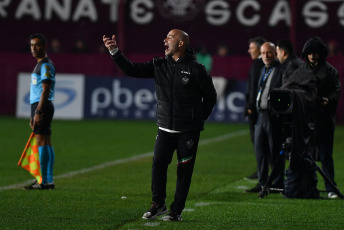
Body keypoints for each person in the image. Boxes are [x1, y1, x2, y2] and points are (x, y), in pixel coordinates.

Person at [103, 29, 217, 221]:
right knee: (158, 165)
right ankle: (159, 204)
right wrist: (115, 52)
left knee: (184, 172)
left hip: (187, 132)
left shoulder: (197, 69)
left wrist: (196, 120)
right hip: (165, 128)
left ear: (180, 44)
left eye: (170, 38)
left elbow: (211, 97)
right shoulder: (159, 65)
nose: (165, 40)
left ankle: (176, 211)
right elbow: (132, 69)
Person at [299, 36, 341, 198]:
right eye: (309, 53)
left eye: (315, 52)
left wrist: (329, 100)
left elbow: (336, 89)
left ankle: (330, 188)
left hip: (323, 117)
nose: (312, 56)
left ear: (321, 53)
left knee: (325, 154)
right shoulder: (301, 70)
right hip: (306, 118)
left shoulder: (330, 71)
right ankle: (307, 186)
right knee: (304, 154)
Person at [245, 42, 284, 193]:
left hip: (272, 116)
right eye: (263, 53)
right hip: (260, 115)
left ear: (275, 53)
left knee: (274, 150)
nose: (266, 56)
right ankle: (262, 183)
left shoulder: (281, 70)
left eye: (269, 52)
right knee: (260, 150)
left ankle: (277, 182)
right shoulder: (262, 70)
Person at [24, 33, 56, 190]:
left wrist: (38, 111)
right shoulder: (42, 64)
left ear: (44, 46)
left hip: (41, 106)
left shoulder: (45, 65)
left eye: (37, 45)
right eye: (31, 45)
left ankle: (43, 181)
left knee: (42, 141)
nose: (33, 48)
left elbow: (45, 89)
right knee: (47, 142)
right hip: (43, 106)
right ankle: (48, 180)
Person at [244, 36, 266, 181]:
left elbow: (254, 88)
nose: (249, 51)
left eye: (251, 48)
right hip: (258, 107)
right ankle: (263, 170)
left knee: (258, 141)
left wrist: (250, 106)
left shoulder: (258, 64)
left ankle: (262, 171)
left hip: (256, 109)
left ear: (259, 49)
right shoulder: (260, 64)